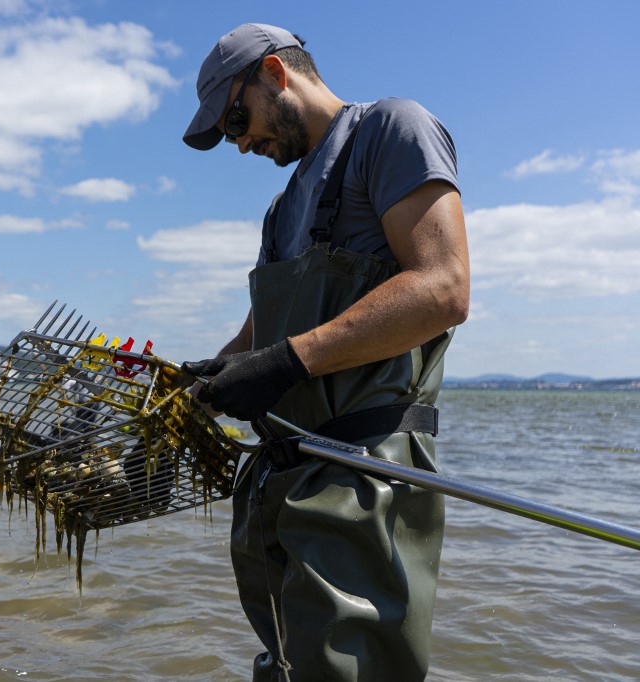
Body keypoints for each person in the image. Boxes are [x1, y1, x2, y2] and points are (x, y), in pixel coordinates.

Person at [180, 24, 470, 682]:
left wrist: (287, 363)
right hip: (284, 478)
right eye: (229, 134)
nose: (241, 141)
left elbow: (443, 287)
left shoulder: (394, 131)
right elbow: (260, 336)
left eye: (237, 118)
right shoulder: (281, 211)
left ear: (276, 76)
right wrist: (193, 386)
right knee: (283, 662)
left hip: (366, 475)